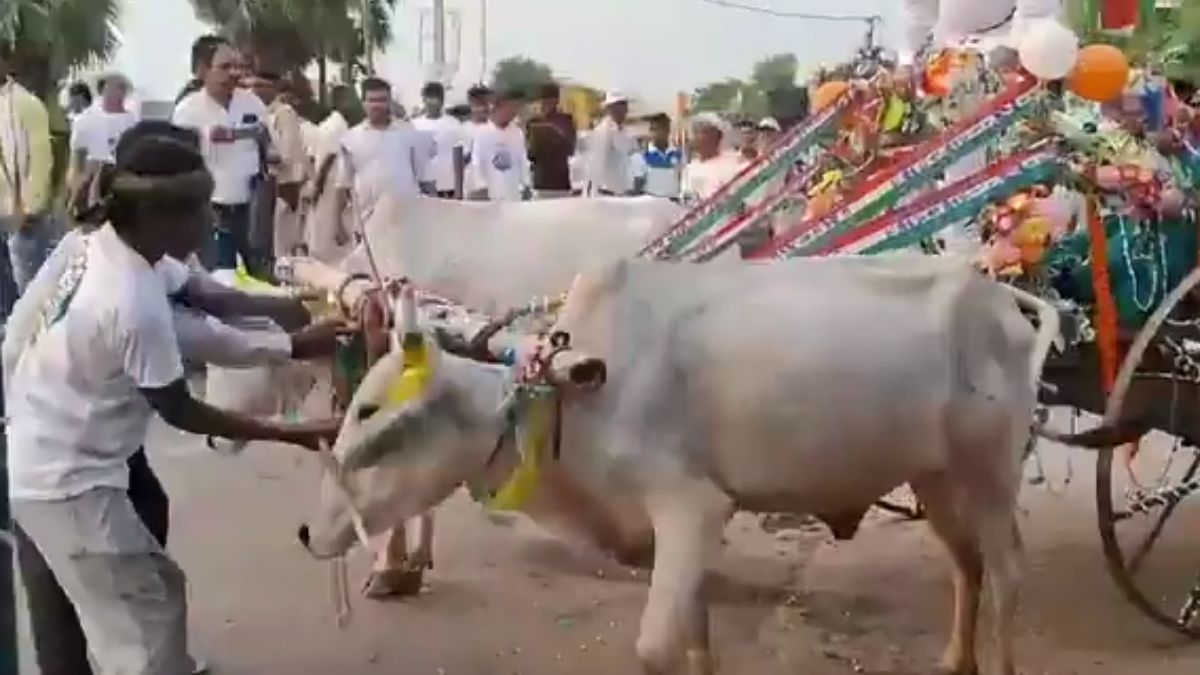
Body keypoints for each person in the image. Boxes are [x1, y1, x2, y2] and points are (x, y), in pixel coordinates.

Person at [7, 120, 340, 675]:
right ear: (161, 217)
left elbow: (200, 294)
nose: (211, 222)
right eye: (200, 210)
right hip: (70, 479)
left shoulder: (103, 245)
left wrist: (290, 311)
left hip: (39, 449)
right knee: (147, 616)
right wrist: (292, 430)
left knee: (95, 601)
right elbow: (181, 408)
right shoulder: (130, 299)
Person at [173, 38, 273, 274]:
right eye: (225, 67)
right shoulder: (187, 111)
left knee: (259, 273)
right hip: (211, 209)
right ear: (202, 70)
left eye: (237, 66)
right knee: (220, 274)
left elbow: (266, 140)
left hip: (251, 207)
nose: (234, 73)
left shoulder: (251, 103)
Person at [0, 46, 56, 324]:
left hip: (20, 215)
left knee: (29, 295)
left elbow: (41, 159)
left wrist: (30, 208)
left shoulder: (26, 104)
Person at [335, 77, 429, 237]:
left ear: (390, 102)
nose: (377, 106)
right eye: (372, 100)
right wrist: (338, 225)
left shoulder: (408, 132)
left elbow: (424, 178)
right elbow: (342, 185)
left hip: (406, 222)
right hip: (367, 223)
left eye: (382, 100)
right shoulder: (350, 139)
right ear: (363, 103)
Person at [252, 72, 309, 257]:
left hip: (283, 186)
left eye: (260, 86)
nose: (255, 91)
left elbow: (288, 154)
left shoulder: (284, 113)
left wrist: (256, 152)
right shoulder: (261, 112)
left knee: (282, 243)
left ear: (273, 88)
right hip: (264, 186)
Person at [69, 74, 139, 210]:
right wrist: (75, 194)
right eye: (110, 90)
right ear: (103, 91)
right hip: (90, 188)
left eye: (120, 90)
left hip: (121, 189)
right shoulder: (85, 120)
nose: (115, 95)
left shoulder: (133, 123)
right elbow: (76, 162)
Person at [468, 89, 531, 202]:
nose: (514, 112)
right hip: (491, 199)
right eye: (512, 107)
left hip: (514, 198)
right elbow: (477, 165)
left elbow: (522, 161)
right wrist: (481, 189)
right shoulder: (481, 133)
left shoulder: (517, 133)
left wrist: (526, 184)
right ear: (500, 106)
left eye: (517, 108)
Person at [412, 81, 465, 199]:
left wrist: (459, 189)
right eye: (429, 97)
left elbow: (460, 158)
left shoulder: (454, 124)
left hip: (449, 187)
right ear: (424, 99)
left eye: (436, 97)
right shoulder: (414, 126)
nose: (433, 102)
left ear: (442, 99)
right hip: (424, 187)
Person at [526, 82, 576, 199]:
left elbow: (570, 149)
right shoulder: (533, 122)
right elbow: (530, 154)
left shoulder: (566, 120)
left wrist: (553, 133)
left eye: (549, 101)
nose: (545, 104)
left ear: (556, 101)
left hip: (561, 182)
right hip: (540, 182)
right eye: (543, 100)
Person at [680, 113, 742, 203]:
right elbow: (684, 200)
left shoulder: (731, 164)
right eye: (695, 131)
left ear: (716, 136)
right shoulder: (690, 167)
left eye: (701, 131)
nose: (695, 137)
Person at [586, 89, 636, 196]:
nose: (623, 110)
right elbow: (596, 164)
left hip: (622, 191)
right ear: (609, 109)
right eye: (618, 106)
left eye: (624, 105)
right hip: (606, 192)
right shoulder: (603, 131)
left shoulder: (626, 131)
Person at [632, 113, 682, 199]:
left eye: (659, 129)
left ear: (667, 130)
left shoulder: (678, 155)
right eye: (652, 129)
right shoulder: (642, 156)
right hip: (651, 205)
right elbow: (637, 188)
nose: (654, 133)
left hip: (673, 205)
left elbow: (681, 182)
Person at [461, 84, 493, 199]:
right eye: (479, 103)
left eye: (486, 102)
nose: (484, 107)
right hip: (471, 190)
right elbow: (459, 162)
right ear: (471, 104)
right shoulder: (463, 129)